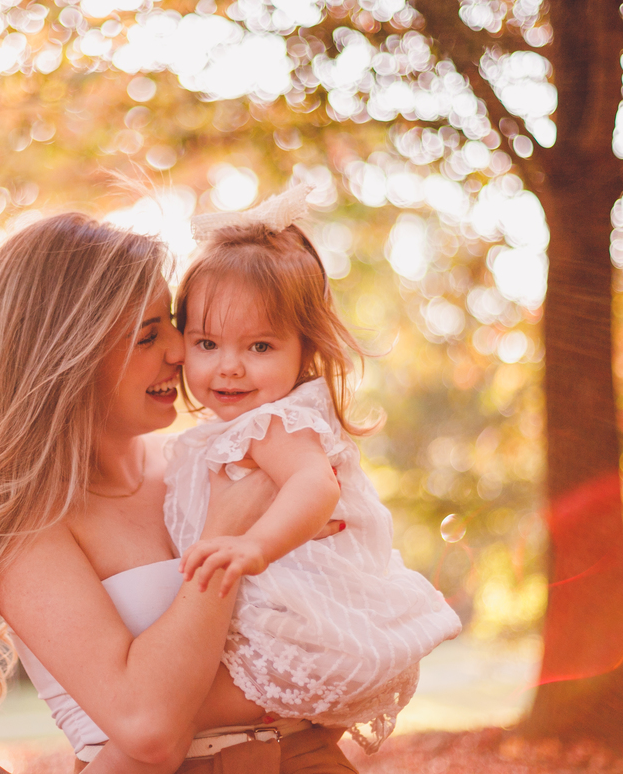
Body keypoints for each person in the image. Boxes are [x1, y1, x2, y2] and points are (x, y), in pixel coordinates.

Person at [0, 213, 358, 774]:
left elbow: (333, 620)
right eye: (148, 335)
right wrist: (223, 533)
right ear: (65, 355)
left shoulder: (205, 459)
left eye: (174, 324)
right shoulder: (22, 526)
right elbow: (150, 729)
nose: (182, 352)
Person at [166, 184, 462, 754]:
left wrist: (256, 547)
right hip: (302, 631)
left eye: (259, 347)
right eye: (207, 343)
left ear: (305, 348)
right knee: (161, 716)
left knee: (160, 715)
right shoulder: (236, 430)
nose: (229, 368)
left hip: (305, 636)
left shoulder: (275, 423)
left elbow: (314, 485)